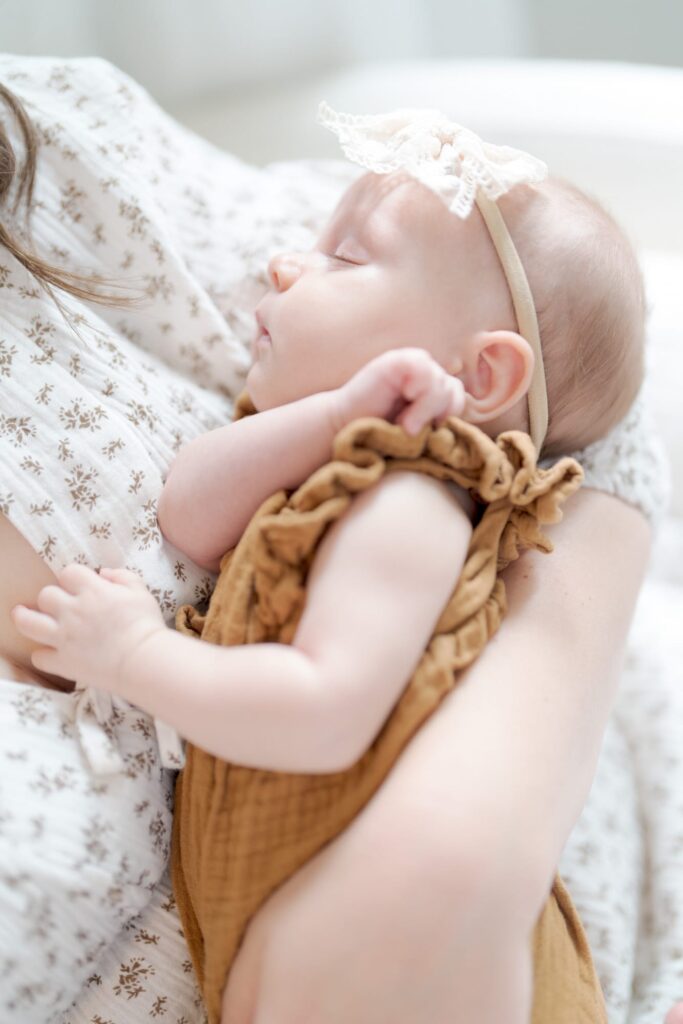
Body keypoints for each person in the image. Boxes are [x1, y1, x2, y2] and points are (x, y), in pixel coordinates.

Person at [0, 57, 672, 1024]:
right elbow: (190, 511)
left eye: (343, 261)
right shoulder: (334, 472)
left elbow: (321, 711)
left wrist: (136, 655)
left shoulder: (405, 513)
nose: (282, 264)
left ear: (477, 375)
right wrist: (331, 416)